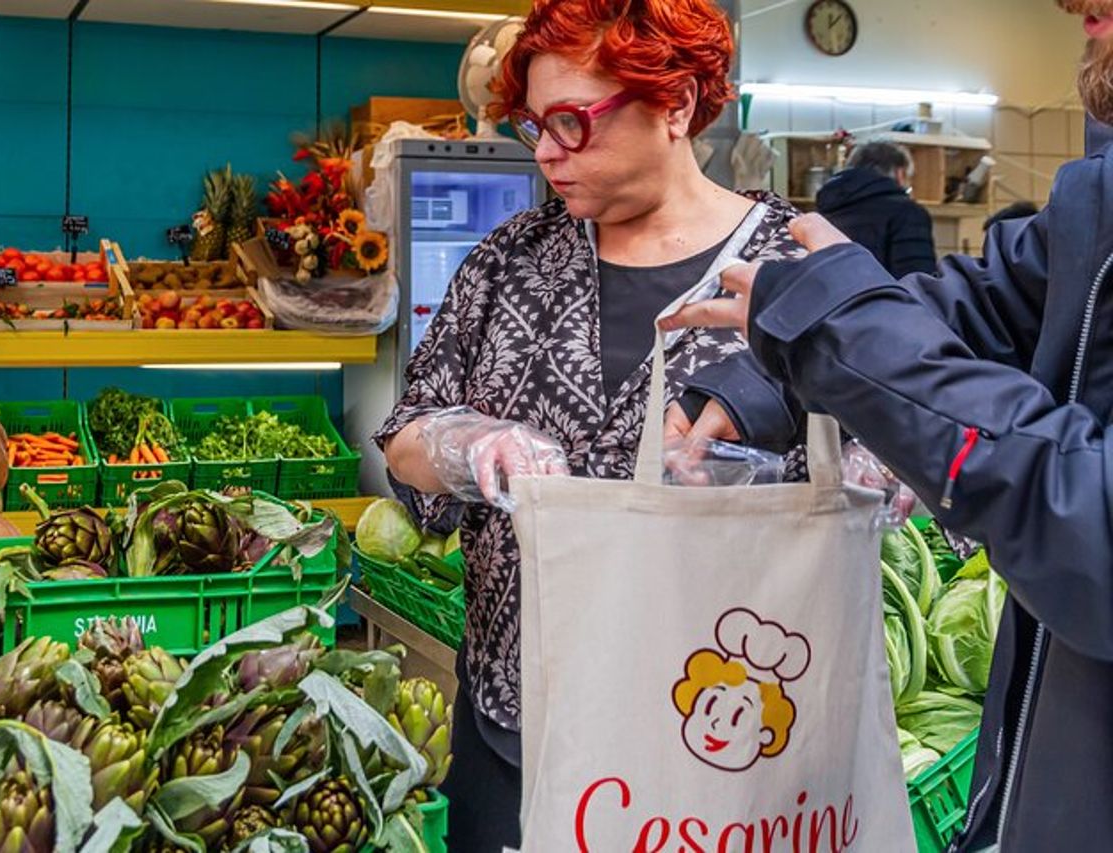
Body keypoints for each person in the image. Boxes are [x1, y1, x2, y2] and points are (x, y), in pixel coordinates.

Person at [660, 1, 1113, 847]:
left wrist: (837, 328)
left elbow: (1096, 520)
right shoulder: (1099, 197)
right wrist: (768, 378)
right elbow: (975, 305)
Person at [374, 0, 808, 848]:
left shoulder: (795, 266)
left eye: (572, 123)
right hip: (515, 722)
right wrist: (463, 448)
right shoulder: (509, 260)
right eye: (537, 124)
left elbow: (877, 458)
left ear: (675, 103)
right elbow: (406, 434)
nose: (544, 152)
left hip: (722, 743)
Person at [814, 140, 938, 276]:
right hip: (879, 296)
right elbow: (918, 281)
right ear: (900, 174)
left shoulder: (824, 211)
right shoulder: (907, 213)